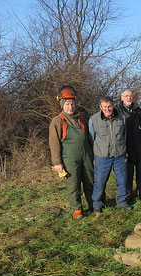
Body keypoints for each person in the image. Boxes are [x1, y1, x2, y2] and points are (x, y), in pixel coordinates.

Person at [49, 86, 94, 219]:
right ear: (63, 105)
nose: (71, 107)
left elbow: (89, 139)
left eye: (72, 104)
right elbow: (54, 143)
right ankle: (77, 210)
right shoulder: (57, 121)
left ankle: (94, 204)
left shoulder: (81, 118)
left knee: (90, 181)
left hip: (86, 156)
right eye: (68, 104)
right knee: (73, 184)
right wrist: (57, 162)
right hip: (69, 159)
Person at [89, 96, 131, 214]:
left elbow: (125, 136)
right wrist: (98, 150)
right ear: (100, 107)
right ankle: (97, 204)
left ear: (113, 106)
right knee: (100, 181)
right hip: (102, 156)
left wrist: (125, 152)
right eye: (105, 107)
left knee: (122, 179)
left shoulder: (122, 118)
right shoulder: (93, 120)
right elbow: (91, 138)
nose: (108, 109)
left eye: (110, 106)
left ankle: (122, 201)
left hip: (120, 154)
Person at [115, 89, 141, 200]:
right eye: (126, 96)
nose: (129, 98)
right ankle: (128, 193)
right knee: (128, 173)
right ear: (121, 98)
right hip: (126, 147)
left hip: (139, 146)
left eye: (130, 96)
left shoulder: (138, 110)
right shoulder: (117, 111)